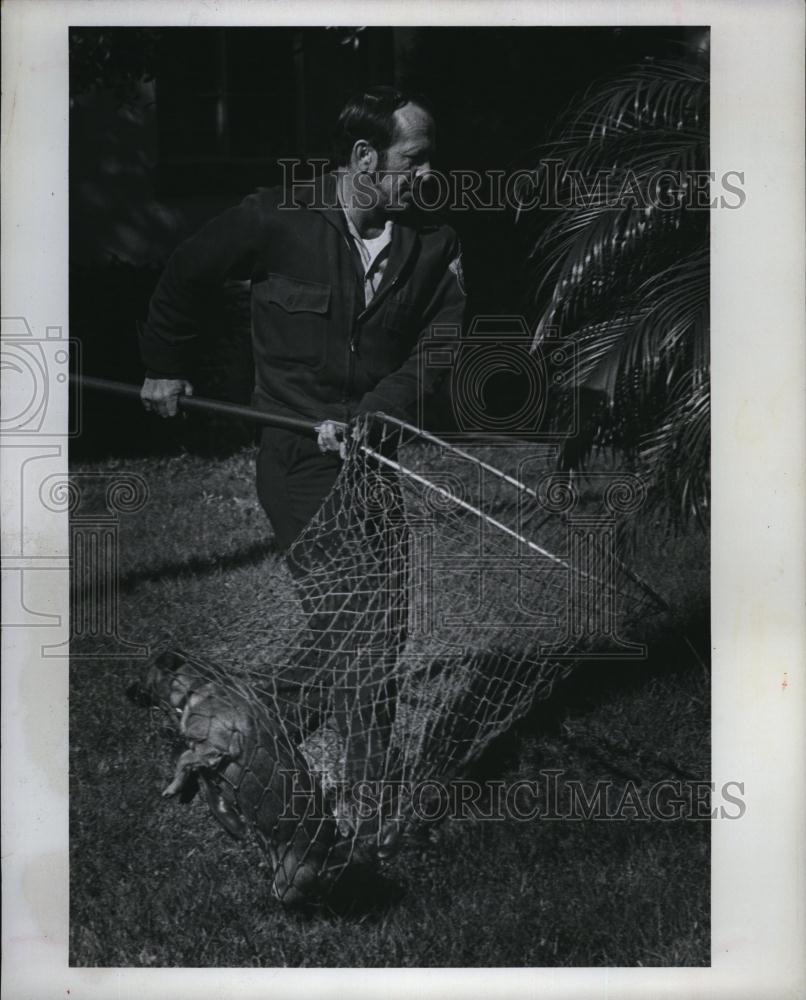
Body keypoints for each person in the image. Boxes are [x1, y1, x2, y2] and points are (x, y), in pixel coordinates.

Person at [139, 86, 467, 855]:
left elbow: (442, 347)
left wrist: (377, 412)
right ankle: (366, 796)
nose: (428, 173)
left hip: (370, 456)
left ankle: (232, 723)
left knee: (376, 625)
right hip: (295, 460)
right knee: (362, 620)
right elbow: (187, 271)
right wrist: (163, 365)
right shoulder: (276, 217)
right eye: (414, 159)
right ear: (364, 160)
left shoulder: (435, 242)